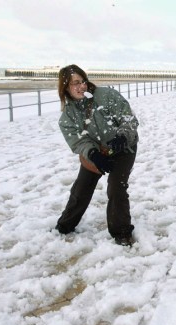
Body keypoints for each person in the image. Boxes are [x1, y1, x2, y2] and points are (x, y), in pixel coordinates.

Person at [55, 64, 139, 247]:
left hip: (124, 148)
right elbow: (78, 141)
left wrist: (122, 137)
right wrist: (93, 153)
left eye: (82, 81)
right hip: (98, 152)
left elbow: (129, 119)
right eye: (74, 83)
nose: (81, 87)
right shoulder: (67, 117)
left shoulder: (106, 95)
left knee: (116, 187)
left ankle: (122, 233)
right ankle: (65, 225)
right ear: (65, 88)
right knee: (81, 189)